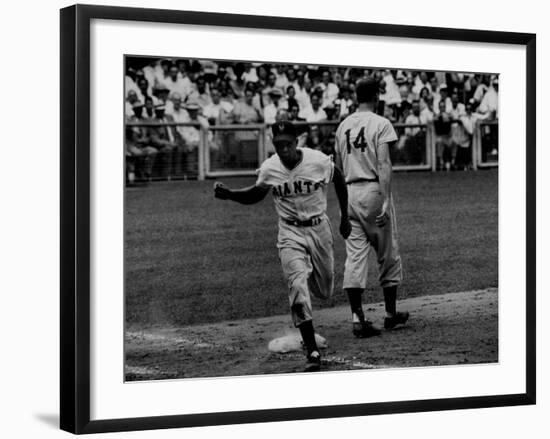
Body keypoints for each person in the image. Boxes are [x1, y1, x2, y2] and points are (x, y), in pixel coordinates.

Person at [214, 120, 351, 372]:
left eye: (287, 144)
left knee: (325, 290)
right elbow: (257, 193)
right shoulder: (270, 167)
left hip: (319, 228)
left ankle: (307, 274)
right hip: (289, 232)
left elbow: (339, 177)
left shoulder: (317, 160)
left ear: (296, 142)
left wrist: (345, 215)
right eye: (278, 145)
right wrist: (231, 194)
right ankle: (312, 350)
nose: (283, 150)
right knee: (297, 287)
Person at [334, 77, 409, 339]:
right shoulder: (381, 123)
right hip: (374, 191)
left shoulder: (342, 126)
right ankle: (390, 315)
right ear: (376, 96)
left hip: (350, 192)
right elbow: (384, 164)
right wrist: (386, 200)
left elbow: (338, 171)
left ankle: (357, 318)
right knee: (388, 253)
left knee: (354, 257)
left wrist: (343, 209)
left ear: (356, 96)